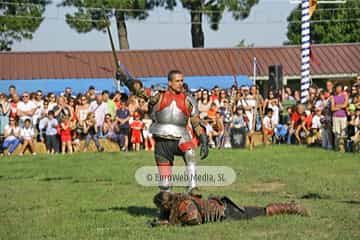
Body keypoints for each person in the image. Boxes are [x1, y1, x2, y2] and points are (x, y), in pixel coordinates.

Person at [123, 70, 209, 194]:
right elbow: (139, 90)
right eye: (177, 81)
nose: (180, 84)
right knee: (165, 184)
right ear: (170, 82)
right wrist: (126, 79)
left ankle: (193, 187)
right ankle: (166, 203)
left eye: (182, 81)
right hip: (162, 140)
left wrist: (204, 141)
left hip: (181, 137)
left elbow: (196, 123)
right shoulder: (158, 95)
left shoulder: (188, 100)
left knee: (190, 152)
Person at [149, 191, 309, 226]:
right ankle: (291, 207)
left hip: (227, 213)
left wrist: (174, 224)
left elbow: (193, 218)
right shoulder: (178, 200)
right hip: (223, 208)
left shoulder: (183, 204)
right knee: (260, 210)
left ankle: (292, 208)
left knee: (263, 212)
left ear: (166, 204)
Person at [331, 83, 348, 152]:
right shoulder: (333, 97)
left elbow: (345, 105)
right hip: (335, 117)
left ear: (342, 88)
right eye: (337, 87)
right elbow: (332, 108)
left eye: (339, 87)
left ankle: (343, 148)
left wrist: (337, 106)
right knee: (336, 133)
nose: (338, 89)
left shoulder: (345, 95)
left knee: (343, 133)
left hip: (343, 116)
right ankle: (337, 148)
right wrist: (341, 106)